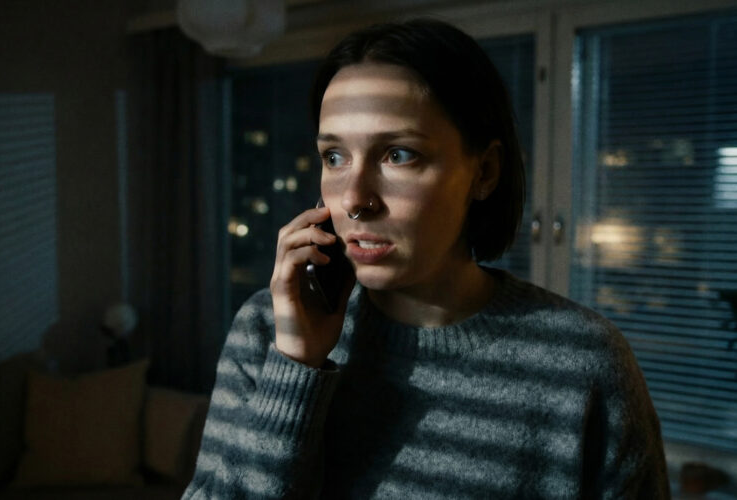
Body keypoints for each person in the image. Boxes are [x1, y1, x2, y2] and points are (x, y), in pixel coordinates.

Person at [183, 19, 670, 499]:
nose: (354, 199)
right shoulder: (268, 328)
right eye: (334, 157)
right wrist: (294, 366)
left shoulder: (583, 362)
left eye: (398, 155)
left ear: (484, 172)